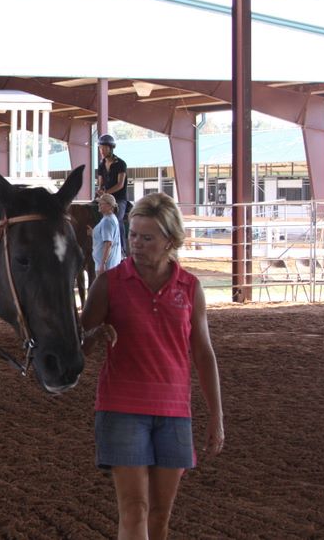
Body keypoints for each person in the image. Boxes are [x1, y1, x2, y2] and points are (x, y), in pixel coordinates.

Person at [81, 193, 224, 540]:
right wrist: (95, 335)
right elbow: (77, 349)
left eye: (147, 238)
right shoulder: (109, 284)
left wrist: (216, 416)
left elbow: (203, 353)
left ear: (170, 242)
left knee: (160, 517)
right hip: (121, 408)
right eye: (133, 235)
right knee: (135, 510)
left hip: (175, 411)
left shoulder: (190, 288)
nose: (136, 244)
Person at [96, 133, 129, 255]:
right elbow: (100, 183)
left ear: (111, 148)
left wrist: (106, 193)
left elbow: (120, 184)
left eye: (104, 148)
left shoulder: (121, 164)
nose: (102, 150)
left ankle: (122, 249)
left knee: (117, 218)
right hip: (105, 197)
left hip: (119, 199)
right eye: (100, 148)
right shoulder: (101, 165)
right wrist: (100, 191)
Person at [90, 192, 122, 276]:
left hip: (106, 266)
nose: (99, 205)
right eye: (99, 203)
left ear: (110, 206)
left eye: (101, 203)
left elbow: (108, 243)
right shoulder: (111, 218)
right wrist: (93, 233)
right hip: (111, 264)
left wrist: (103, 263)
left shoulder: (107, 221)